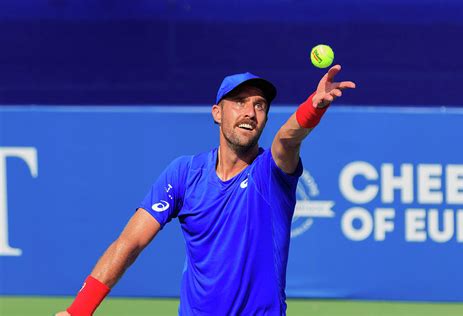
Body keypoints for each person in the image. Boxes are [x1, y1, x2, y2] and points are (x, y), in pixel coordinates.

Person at [56, 65, 355, 316]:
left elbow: (287, 140)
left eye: (259, 105)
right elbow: (130, 242)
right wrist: (78, 310)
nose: (250, 112)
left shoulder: (270, 173)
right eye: (239, 101)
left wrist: (313, 108)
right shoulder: (184, 173)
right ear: (216, 112)